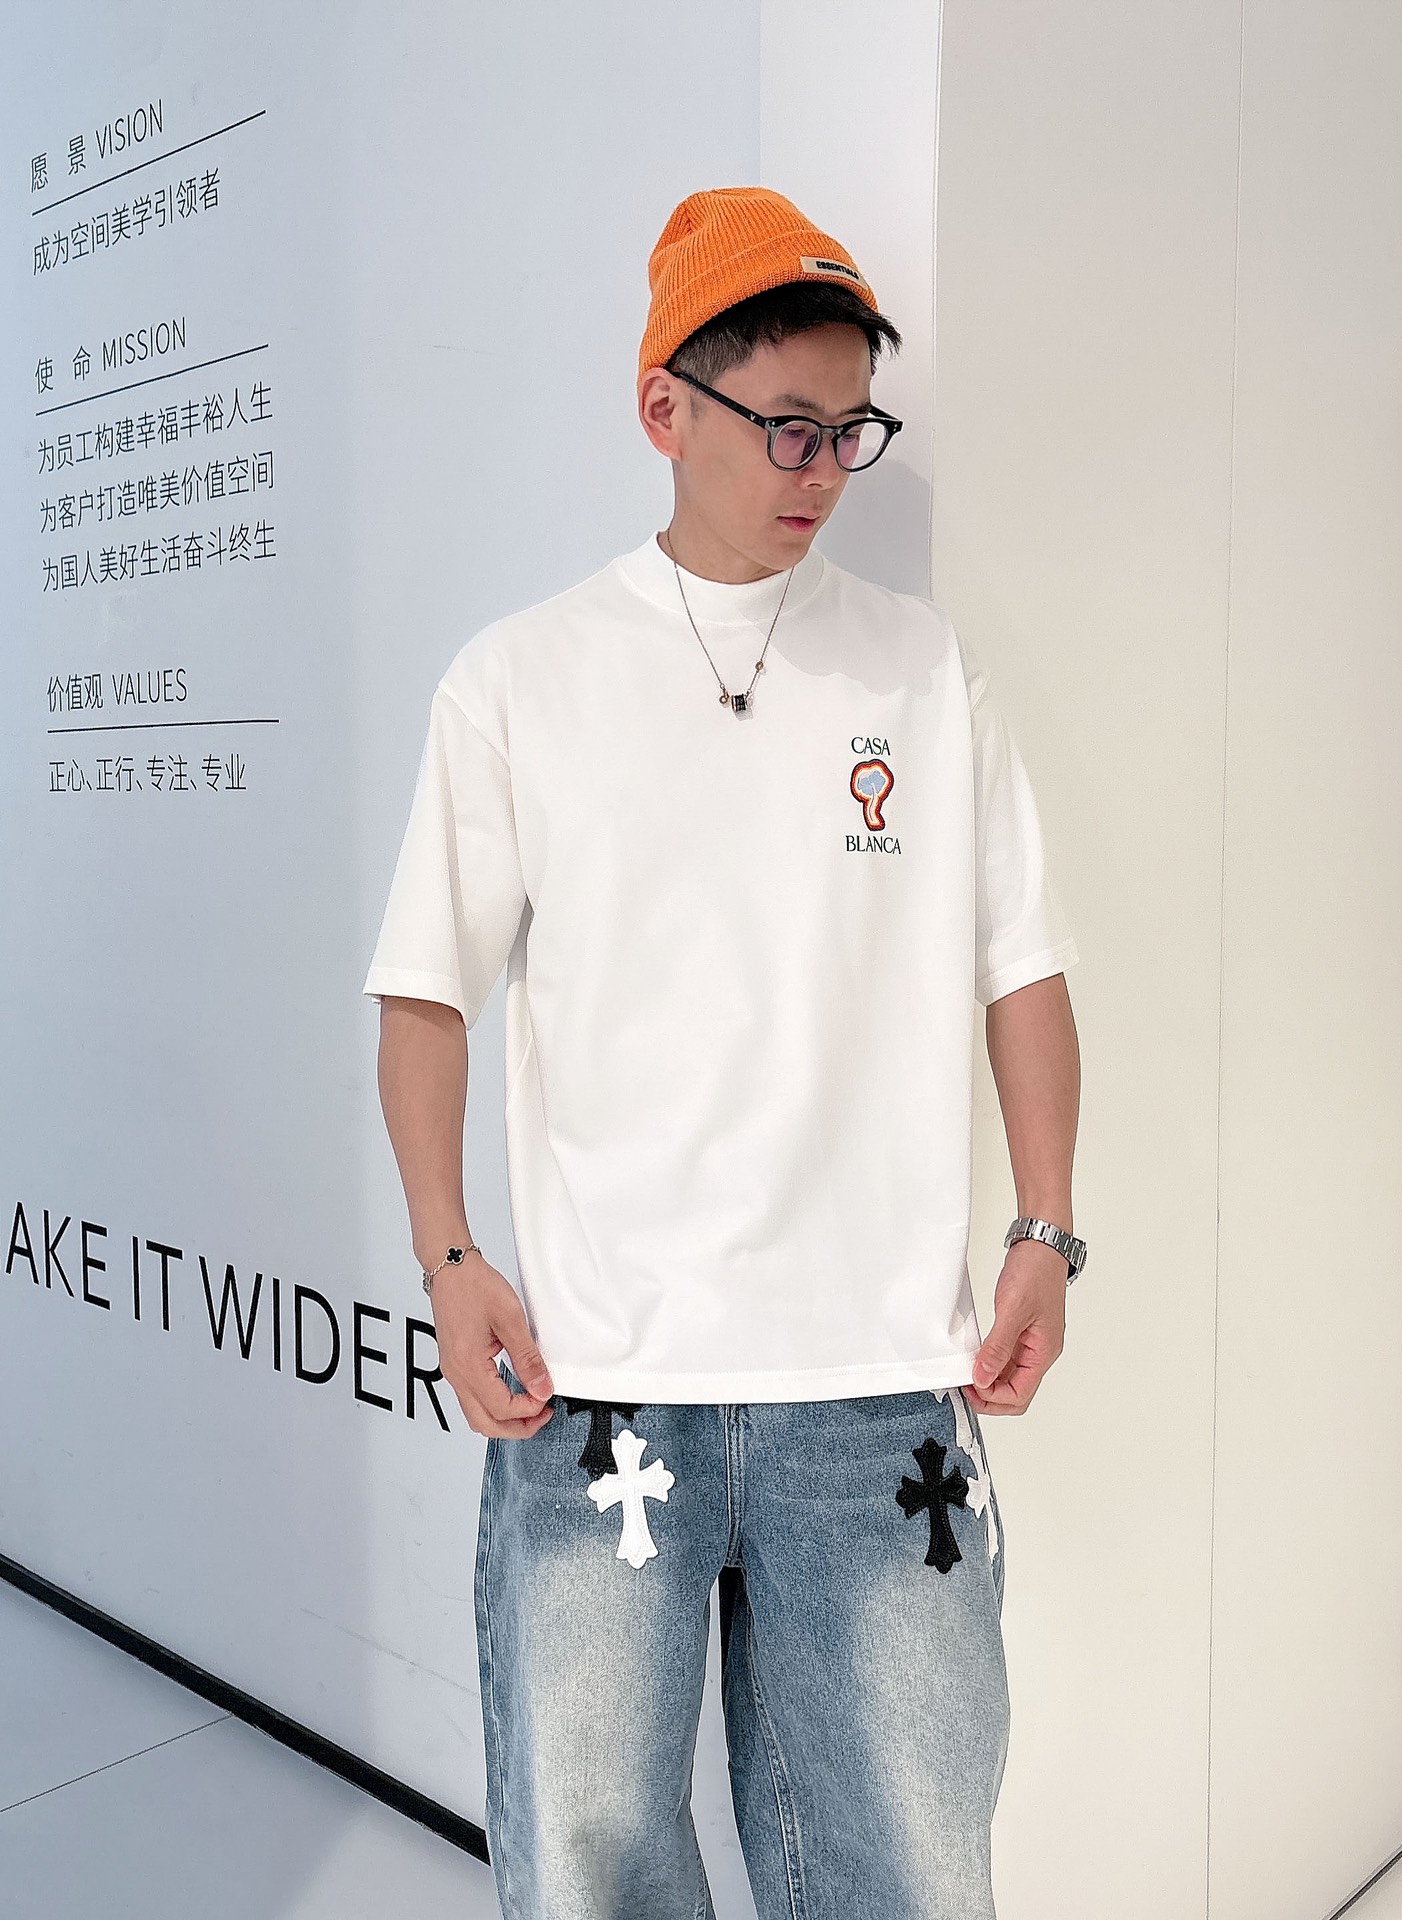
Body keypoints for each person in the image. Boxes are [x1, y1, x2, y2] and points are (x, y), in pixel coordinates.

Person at [363, 185, 1083, 1920]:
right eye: (786, 425)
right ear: (663, 408)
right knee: (593, 1865)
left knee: (908, 1871)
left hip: (876, 1379)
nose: (821, 470)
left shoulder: (920, 672)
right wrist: (447, 1253)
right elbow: (425, 991)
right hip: (602, 1377)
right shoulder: (521, 679)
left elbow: (1022, 964)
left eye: (850, 431)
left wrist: (1047, 1229)